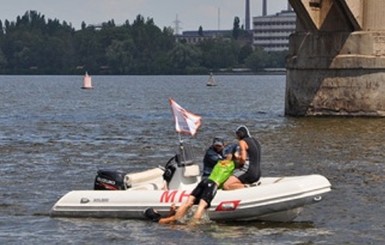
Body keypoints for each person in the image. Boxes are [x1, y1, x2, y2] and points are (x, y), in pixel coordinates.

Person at [144, 147, 237, 224]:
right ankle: (192, 226)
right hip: (212, 184)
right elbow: (242, 160)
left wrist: (172, 211)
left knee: (188, 203)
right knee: (201, 207)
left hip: (204, 181)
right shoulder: (232, 164)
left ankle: (183, 222)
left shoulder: (219, 162)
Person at [223, 125, 261, 190]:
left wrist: (237, 158)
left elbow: (243, 159)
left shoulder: (242, 142)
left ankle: (247, 187)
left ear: (239, 134)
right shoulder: (256, 141)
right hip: (258, 173)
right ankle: (248, 184)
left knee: (226, 185)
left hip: (248, 172)